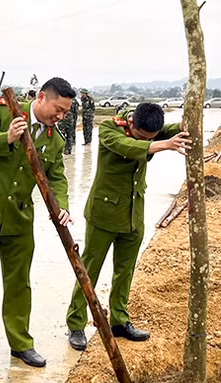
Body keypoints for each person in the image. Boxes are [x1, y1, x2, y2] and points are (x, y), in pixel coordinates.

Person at [0, 77, 74, 368]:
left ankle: (21, 344)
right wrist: (6, 138)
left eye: (65, 113)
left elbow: (56, 177)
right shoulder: (3, 112)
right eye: (58, 109)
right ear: (41, 97)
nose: (60, 116)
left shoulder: (55, 140)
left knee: (19, 284)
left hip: (19, 219)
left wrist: (62, 206)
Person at [66, 103, 190, 350]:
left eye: (150, 138)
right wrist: (163, 144)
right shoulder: (110, 129)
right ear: (131, 122)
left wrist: (183, 125)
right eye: (141, 136)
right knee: (89, 269)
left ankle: (119, 320)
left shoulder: (149, 130)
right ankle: (76, 322)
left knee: (125, 271)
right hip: (104, 214)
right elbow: (127, 146)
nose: (145, 141)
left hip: (133, 215)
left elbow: (173, 130)